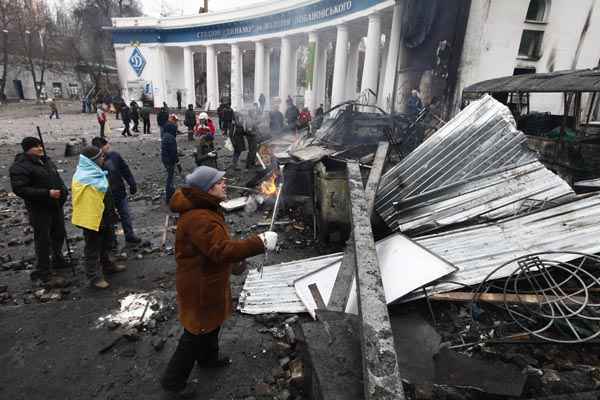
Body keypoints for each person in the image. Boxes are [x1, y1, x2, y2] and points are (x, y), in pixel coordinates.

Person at [160, 165, 278, 398]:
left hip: (209, 278)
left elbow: (215, 246)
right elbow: (220, 249)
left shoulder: (206, 208)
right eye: (219, 182)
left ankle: (208, 359)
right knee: (195, 332)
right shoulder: (199, 218)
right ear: (207, 189)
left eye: (223, 180)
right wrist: (259, 242)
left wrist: (236, 264)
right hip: (199, 284)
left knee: (212, 323)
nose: (225, 184)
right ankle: (173, 382)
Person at [9, 137, 69, 287]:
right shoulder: (20, 167)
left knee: (59, 233)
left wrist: (63, 193)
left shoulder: (46, 161)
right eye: (36, 147)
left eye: (40, 145)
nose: (40, 148)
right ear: (28, 149)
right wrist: (46, 193)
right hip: (39, 209)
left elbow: (57, 178)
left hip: (55, 205)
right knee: (43, 240)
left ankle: (57, 259)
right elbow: (20, 189)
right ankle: (44, 272)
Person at [71, 146, 126, 289]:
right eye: (101, 157)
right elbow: (87, 203)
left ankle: (107, 266)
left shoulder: (95, 173)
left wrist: (111, 212)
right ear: (93, 161)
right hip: (92, 219)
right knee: (93, 248)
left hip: (104, 215)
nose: (103, 159)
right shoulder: (84, 177)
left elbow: (104, 196)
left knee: (105, 244)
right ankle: (94, 277)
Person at [91, 137, 141, 244]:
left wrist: (132, 183)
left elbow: (125, 170)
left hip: (119, 192)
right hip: (104, 196)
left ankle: (129, 235)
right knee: (109, 219)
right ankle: (111, 240)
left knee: (125, 214)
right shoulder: (93, 163)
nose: (108, 147)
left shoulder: (115, 156)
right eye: (105, 146)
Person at [161, 114, 180, 204]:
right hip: (169, 161)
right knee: (170, 179)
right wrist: (177, 162)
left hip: (165, 159)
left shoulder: (165, 136)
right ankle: (169, 197)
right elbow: (173, 152)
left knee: (170, 178)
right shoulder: (171, 138)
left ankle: (170, 194)